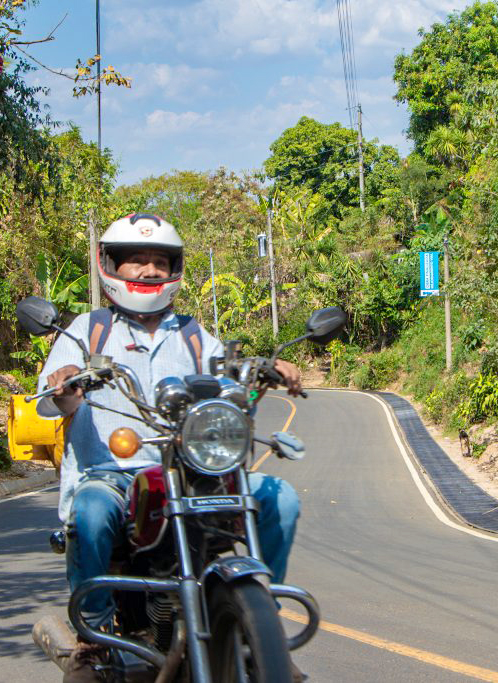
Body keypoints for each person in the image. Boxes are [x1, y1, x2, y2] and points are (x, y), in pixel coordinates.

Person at [37, 213, 304, 683]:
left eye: (159, 261)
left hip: (189, 472)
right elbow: (52, 401)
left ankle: (262, 629)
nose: (149, 270)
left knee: (280, 497)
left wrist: (265, 370)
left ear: (174, 269)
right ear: (112, 266)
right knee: (92, 513)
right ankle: (94, 641)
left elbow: (230, 382)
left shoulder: (194, 334)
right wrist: (65, 384)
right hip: (114, 474)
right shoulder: (87, 330)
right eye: (136, 260)